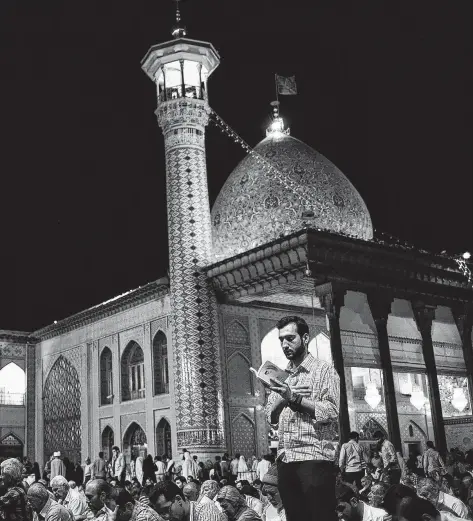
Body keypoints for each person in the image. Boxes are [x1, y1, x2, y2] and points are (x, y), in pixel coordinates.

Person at [265, 315, 340, 521]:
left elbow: (331, 411)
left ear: (305, 338)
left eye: (290, 338)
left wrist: (295, 398)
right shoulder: (281, 375)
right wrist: (283, 397)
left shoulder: (324, 370)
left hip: (313, 458)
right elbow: (270, 417)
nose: (285, 344)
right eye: (281, 340)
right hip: (286, 459)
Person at [151, 480, 225, 521]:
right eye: (160, 513)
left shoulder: (207, 513)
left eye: (167, 509)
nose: (166, 516)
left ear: (178, 500)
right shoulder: (179, 517)